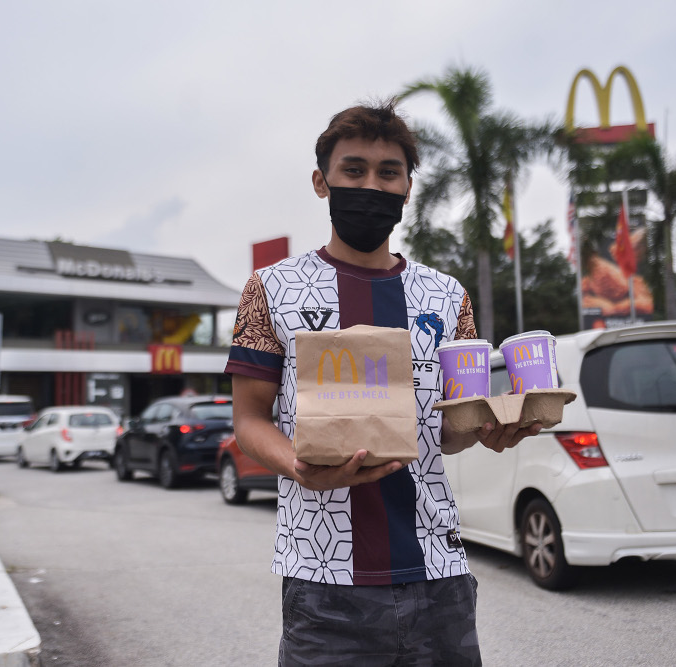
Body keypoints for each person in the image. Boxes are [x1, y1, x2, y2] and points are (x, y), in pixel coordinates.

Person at [226, 100, 542, 666]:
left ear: (407, 188)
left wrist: (490, 429)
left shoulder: (448, 298)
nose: (371, 185)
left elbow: (443, 431)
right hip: (323, 579)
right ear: (322, 182)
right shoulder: (271, 289)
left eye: (388, 172)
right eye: (354, 170)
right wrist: (298, 464)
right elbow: (249, 419)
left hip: (438, 572)